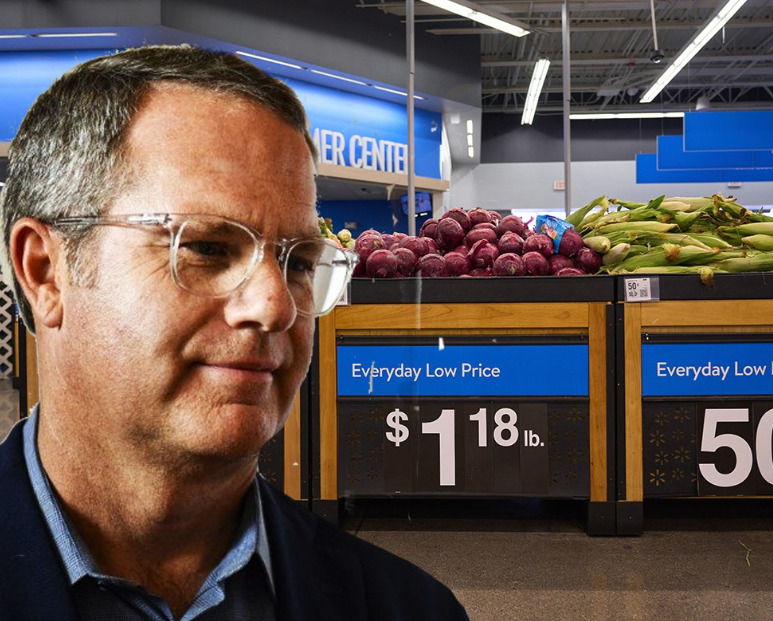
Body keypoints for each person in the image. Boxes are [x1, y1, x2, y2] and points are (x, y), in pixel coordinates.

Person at [0, 45, 469, 620]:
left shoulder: (409, 608)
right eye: (206, 247)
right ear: (46, 272)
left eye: (300, 263)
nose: (275, 307)